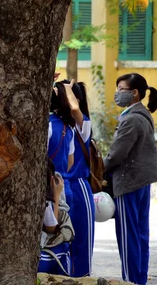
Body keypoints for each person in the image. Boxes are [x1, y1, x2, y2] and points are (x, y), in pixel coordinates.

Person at [104, 73, 157, 285]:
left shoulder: (131, 119)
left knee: (129, 237)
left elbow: (117, 155)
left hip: (129, 182)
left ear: (135, 93)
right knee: (140, 234)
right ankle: (138, 280)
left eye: (122, 89)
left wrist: (98, 169)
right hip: (141, 182)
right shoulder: (143, 115)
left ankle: (130, 281)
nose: (118, 93)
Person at [61, 80, 95, 277]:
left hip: (79, 187)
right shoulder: (57, 123)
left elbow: (74, 108)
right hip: (61, 186)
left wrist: (66, 88)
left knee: (81, 241)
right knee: (61, 242)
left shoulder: (82, 125)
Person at [38, 159, 73, 276]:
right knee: (64, 249)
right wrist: (56, 196)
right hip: (38, 257)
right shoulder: (45, 198)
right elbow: (51, 227)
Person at [48, 82, 76, 177]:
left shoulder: (47, 125)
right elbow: (70, 161)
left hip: (48, 185)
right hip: (63, 183)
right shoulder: (69, 126)